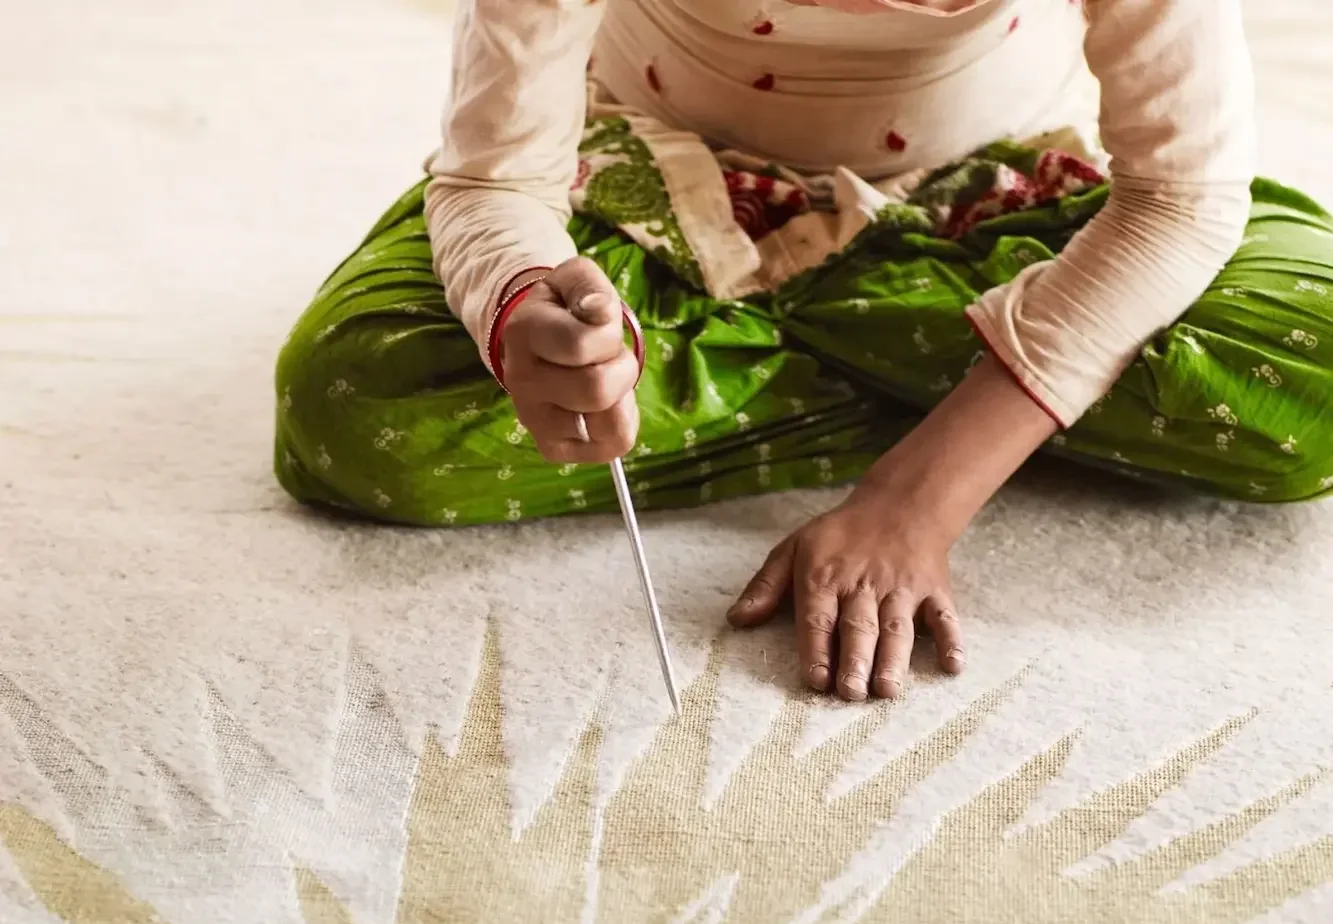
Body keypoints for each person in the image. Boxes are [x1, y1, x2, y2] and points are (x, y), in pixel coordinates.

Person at [274, 0, 1333, 704]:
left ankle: (879, 380)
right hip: (658, 204)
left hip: (995, 212)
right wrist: (526, 307)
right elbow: (496, 183)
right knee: (355, 405)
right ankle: (979, 375)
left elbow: (1180, 199)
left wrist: (917, 499)